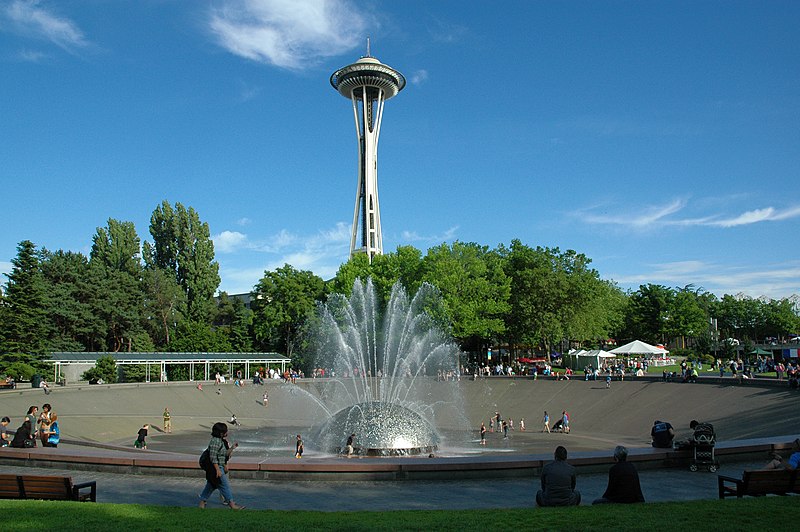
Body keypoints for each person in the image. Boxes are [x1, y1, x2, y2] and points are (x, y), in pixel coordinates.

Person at [198, 422, 244, 510]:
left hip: (219, 466)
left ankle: (202, 502)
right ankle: (232, 504)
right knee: (224, 485)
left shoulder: (221, 441)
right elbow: (213, 456)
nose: (227, 432)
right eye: (226, 431)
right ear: (221, 433)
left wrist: (232, 448)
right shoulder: (215, 441)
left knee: (211, 485)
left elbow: (225, 454)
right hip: (216, 467)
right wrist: (218, 470)